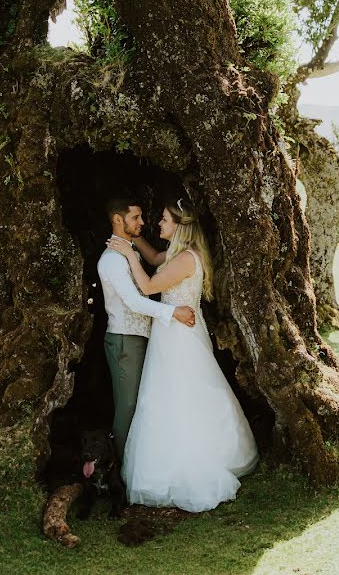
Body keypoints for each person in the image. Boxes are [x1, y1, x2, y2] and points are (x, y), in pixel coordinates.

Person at [106, 198, 258, 512]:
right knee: (182, 392)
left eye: (163, 219)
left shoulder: (186, 259)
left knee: (178, 394)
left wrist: (127, 254)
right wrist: (133, 241)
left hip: (177, 335)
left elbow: (147, 286)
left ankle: (187, 462)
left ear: (179, 226)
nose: (157, 223)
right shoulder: (177, 254)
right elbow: (154, 255)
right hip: (176, 331)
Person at [97, 197, 197, 461]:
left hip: (142, 338)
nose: (144, 222)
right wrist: (172, 312)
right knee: (128, 407)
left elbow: (154, 257)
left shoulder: (132, 253)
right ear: (118, 220)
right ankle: (117, 471)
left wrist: (132, 246)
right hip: (124, 341)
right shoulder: (112, 260)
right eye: (136, 218)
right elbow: (134, 300)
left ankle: (138, 463)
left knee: (143, 404)